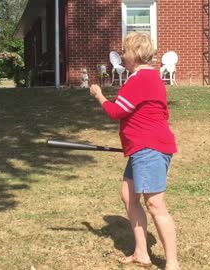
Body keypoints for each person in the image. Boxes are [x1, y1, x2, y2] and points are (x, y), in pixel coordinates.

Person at [89, 32, 180, 270]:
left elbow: (115, 112)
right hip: (141, 149)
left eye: (125, 51)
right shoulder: (150, 78)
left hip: (149, 149)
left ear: (136, 54)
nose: (122, 55)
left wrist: (99, 95)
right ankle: (142, 252)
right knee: (128, 196)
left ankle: (172, 263)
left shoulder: (140, 80)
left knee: (155, 204)